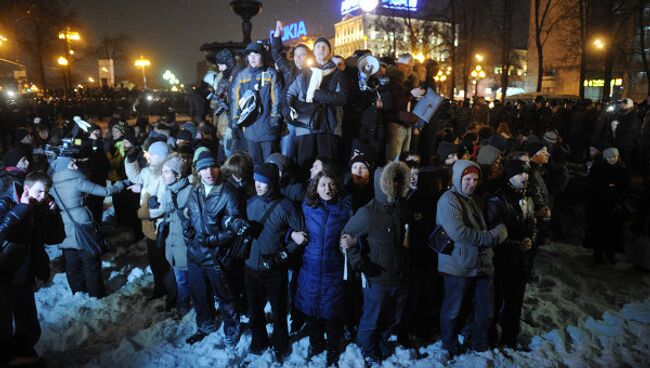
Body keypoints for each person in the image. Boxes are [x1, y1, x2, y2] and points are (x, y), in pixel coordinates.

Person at [339, 161, 412, 363]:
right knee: (371, 319)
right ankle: (366, 346)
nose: (395, 186)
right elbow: (345, 238)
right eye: (391, 181)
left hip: (399, 277)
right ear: (382, 184)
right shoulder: (368, 213)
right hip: (377, 279)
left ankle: (380, 340)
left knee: (392, 318)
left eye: (398, 181)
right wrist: (361, 264)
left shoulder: (401, 208)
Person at [436, 160, 507, 356]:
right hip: (458, 265)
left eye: (475, 179)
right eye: (467, 179)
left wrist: (497, 232)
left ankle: (480, 343)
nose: (472, 183)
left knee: (486, 309)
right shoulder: (448, 200)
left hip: (481, 263)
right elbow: (459, 233)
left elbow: (486, 226)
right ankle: (449, 343)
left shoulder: (473, 199)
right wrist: (491, 237)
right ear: (458, 178)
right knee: (453, 309)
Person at [183, 150, 246, 345]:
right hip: (195, 255)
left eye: (212, 167)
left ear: (218, 168)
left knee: (226, 298)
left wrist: (213, 240)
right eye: (204, 168)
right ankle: (205, 324)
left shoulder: (229, 192)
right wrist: (187, 229)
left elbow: (235, 228)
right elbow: (189, 214)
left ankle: (232, 331)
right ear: (197, 172)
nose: (209, 172)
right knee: (200, 296)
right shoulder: (195, 190)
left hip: (217, 256)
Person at [245, 163, 307, 360]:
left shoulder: (287, 206)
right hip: (250, 267)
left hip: (274, 269)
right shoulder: (251, 203)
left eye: (263, 182)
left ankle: (281, 343)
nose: (258, 185)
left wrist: (285, 253)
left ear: (272, 183)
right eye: (256, 181)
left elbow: (302, 235)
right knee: (255, 311)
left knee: (279, 311)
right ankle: (259, 341)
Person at [0, 171, 61, 366]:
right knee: (3, 329)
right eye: (39, 191)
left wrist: (54, 214)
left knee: (30, 328)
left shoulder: (40, 207)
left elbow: (55, 238)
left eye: (47, 192)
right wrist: (22, 208)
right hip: (4, 275)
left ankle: (23, 357)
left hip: (24, 276)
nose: (43, 196)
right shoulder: (6, 203)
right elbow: (3, 231)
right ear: (26, 189)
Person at [50, 156, 129, 298]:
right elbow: (106, 192)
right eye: (72, 164)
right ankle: (96, 294)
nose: (76, 166)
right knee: (90, 260)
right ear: (65, 167)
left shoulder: (53, 185)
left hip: (64, 223)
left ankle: (78, 292)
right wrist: (122, 184)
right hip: (81, 221)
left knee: (71, 263)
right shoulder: (78, 181)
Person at [295, 169, 351, 366]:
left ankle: (333, 349)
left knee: (332, 315)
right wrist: (292, 236)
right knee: (312, 314)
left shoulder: (345, 209)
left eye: (331, 184)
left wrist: (352, 241)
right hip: (309, 268)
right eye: (323, 185)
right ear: (315, 188)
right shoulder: (307, 208)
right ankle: (316, 344)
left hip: (332, 269)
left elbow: (356, 233)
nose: (328, 189)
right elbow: (291, 229)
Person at [486, 159, 536, 348]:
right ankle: (490, 336)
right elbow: (495, 232)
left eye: (526, 172)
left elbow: (532, 224)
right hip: (502, 261)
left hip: (521, 261)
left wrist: (531, 239)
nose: (525, 176)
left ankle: (510, 337)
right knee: (496, 300)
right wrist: (515, 245)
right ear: (509, 177)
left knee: (515, 303)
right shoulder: (497, 200)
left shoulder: (527, 197)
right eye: (519, 173)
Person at [287, 37, 349, 169]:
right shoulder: (304, 72)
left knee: (328, 167)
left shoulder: (337, 73)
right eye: (318, 47)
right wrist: (290, 111)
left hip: (329, 126)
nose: (321, 49)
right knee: (304, 166)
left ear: (330, 52)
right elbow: (290, 93)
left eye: (324, 46)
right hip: (305, 127)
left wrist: (317, 93)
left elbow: (342, 98)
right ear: (313, 52)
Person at [125, 141, 170, 300]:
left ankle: (165, 289)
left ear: (159, 156)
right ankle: (160, 286)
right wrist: (130, 160)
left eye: (150, 154)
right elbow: (135, 176)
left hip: (159, 225)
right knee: (154, 258)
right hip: (150, 224)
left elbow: (163, 206)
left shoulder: (166, 173)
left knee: (161, 259)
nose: (147, 156)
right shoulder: (150, 170)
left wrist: (145, 212)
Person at [230, 42, 282, 164]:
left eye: (256, 54)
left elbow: (277, 98)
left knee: (269, 164)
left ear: (262, 56)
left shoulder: (271, 73)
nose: (252, 57)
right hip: (249, 130)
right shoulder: (241, 75)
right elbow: (235, 98)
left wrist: (275, 119)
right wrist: (235, 119)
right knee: (254, 164)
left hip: (267, 129)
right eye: (249, 54)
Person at [159, 154, 193, 315]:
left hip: (185, 246)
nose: (163, 175)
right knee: (179, 279)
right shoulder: (168, 190)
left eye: (167, 172)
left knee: (184, 280)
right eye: (162, 171)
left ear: (178, 175)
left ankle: (184, 307)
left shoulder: (190, 192)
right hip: (173, 244)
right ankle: (181, 305)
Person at [585, 147, 630, 264]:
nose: (613, 159)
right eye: (610, 157)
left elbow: (625, 187)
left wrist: (619, 197)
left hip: (614, 207)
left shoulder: (622, 169)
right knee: (599, 231)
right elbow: (592, 186)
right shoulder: (598, 168)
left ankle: (611, 254)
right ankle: (598, 255)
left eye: (615, 156)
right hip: (600, 206)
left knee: (612, 232)